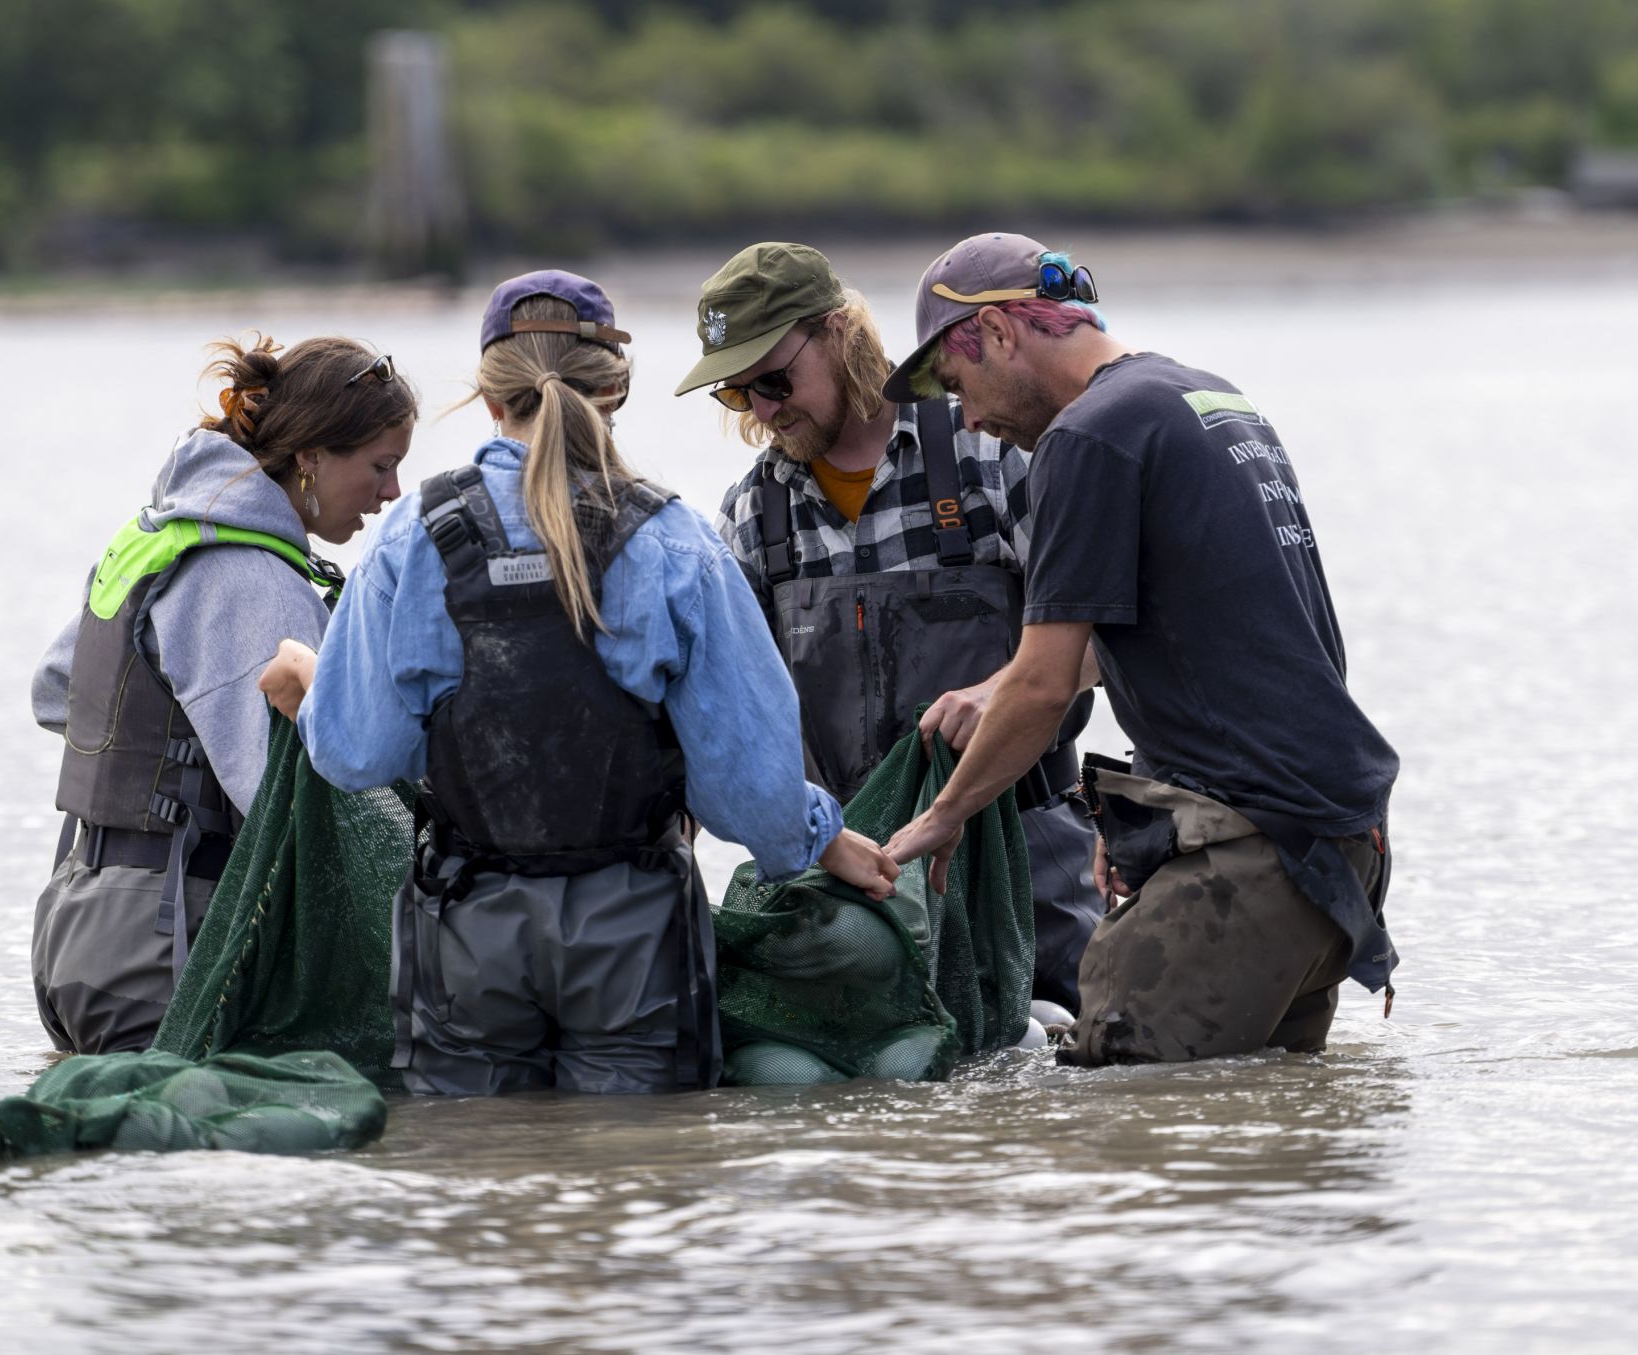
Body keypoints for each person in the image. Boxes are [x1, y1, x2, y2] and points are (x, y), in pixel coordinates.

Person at [258, 271, 900, 1096]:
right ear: (613, 391)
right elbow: (754, 797)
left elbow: (353, 752)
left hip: (467, 929)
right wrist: (821, 836)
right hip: (632, 930)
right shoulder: (675, 542)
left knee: (477, 1179)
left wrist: (317, 683)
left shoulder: (411, 539)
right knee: (633, 1178)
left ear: (492, 401)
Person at [875, 234, 1400, 1064]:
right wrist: (1152, 798)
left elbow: (1047, 689)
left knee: (1122, 1141)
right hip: (1337, 850)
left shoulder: (1087, 437)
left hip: (1247, 862)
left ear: (1003, 334)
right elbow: (1170, 624)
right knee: (1266, 1157)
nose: (966, 418)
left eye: (957, 383)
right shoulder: (1207, 400)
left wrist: (944, 817)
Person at [671, 243, 1104, 1012]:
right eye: (740, 396)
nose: (766, 411)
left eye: (774, 379)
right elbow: (713, 717)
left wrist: (1002, 690)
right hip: (853, 883)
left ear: (839, 332)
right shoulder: (748, 516)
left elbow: (1106, 641)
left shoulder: (989, 453)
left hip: (1030, 859)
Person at [29, 335, 417, 1055]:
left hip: (74, 924)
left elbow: (57, 691)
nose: (391, 493)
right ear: (310, 458)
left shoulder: (158, 536)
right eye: (381, 466)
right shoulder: (253, 579)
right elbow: (295, 794)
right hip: (168, 947)